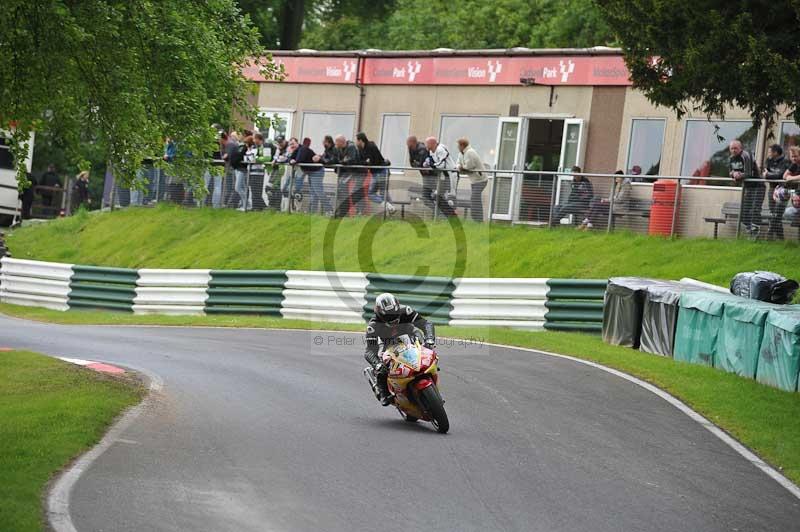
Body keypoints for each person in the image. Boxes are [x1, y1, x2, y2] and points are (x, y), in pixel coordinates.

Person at [364, 293, 437, 406]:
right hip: (388, 346)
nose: (393, 321)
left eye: (395, 316)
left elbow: (426, 324)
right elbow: (369, 351)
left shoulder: (406, 311)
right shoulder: (373, 326)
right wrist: (377, 364)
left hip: (410, 337)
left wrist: (430, 339)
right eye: (388, 319)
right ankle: (383, 392)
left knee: (427, 350)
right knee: (382, 368)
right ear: (379, 315)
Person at [729, 139, 764, 237]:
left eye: (736, 148)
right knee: (744, 212)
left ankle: (755, 230)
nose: (733, 150)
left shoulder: (746, 156)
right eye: (732, 148)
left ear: (740, 148)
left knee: (754, 209)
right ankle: (750, 230)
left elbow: (748, 173)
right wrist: (734, 174)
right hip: (747, 187)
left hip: (758, 186)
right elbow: (730, 172)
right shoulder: (731, 158)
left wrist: (738, 176)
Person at [329, 134, 362, 217]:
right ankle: (342, 212)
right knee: (341, 191)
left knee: (354, 192)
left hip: (355, 172)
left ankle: (358, 212)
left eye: (336, 142)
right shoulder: (338, 149)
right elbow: (336, 159)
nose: (335, 144)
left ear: (341, 142)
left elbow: (351, 159)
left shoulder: (351, 147)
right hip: (345, 172)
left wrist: (343, 162)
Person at [423, 136, 457, 217]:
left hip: (450, 175)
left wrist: (430, 164)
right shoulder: (431, 151)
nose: (425, 146)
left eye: (427, 144)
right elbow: (433, 162)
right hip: (443, 176)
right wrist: (427, 162)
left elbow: (441, 165)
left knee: (450, 196)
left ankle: (452, 215)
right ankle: (449, 215)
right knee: (436, 196)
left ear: (432, 144)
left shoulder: (440, 149)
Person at [763, 144, 790, 240]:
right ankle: (781, 238)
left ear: (775, 152)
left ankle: (769, 234)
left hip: (782, 190)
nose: (768, 153)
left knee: (778, 213)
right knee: (772, 213)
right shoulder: (769, 160)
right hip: (771, 188)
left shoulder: (785, 161)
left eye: (770, 151)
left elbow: (781, 175)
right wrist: (771, 175)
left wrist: (769, 175)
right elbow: (765, 173)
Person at [456, 138, 487, 222]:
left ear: (462, 145)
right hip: (473, 180)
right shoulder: (461, 153)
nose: (457, 147)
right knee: (476, 199)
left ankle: (478, 219)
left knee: (474, 198)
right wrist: (460, 167)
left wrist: (462, 168)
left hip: (480, 180)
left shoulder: (470, 152)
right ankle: (478, 220)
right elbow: (458, 163)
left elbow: (469, 166)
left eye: (458, 145)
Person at [231, 135, 254, 211]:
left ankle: (246, 205)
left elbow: (245, 157)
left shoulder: (246, 149)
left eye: (246, 142)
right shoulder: (242, 147)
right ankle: (246, 205)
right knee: (243, 188)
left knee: (238, 188)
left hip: (242, 169)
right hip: (238, 168)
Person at [780, 146, 800, 222]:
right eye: (792, 156)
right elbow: (785, 176)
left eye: (796, 156)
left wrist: (791, 178)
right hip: (797, 194)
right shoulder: (794, 164)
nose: (794, 158)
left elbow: (788, 177)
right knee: (787, 213)